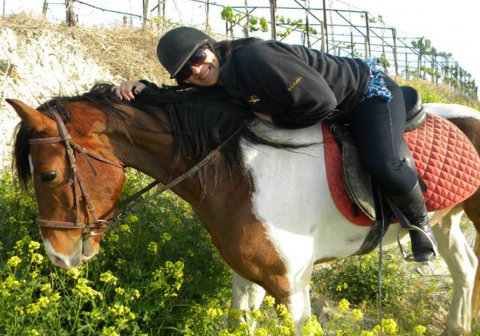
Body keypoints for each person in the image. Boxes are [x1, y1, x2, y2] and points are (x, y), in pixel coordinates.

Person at [114, 26, 437, 262]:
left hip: (364, 94)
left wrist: (273, 119)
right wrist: (144, 88)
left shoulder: (255, 58)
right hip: (329, 104)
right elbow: (184, 100)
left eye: (198, 57)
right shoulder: (216, 81)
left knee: (382, 162)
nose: (197, 70)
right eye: (185, 71)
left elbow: (320, 102)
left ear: (210, 47)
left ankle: (420, 226)